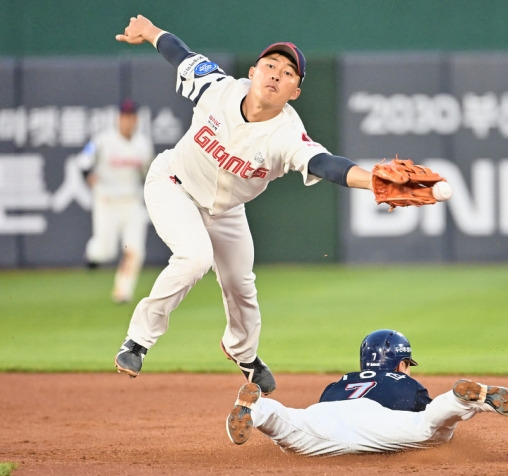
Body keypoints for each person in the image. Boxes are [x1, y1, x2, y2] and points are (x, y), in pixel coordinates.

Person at [112, 14, 378, 393]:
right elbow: (179, 53)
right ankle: (137, 340)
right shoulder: (216, 87)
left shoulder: (287, 134)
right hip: (173, 184)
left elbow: (326, 164)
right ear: (253, 72)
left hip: (227, 210)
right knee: (195, 257)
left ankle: (243, 353)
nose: (275, 74)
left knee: (241, 284)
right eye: (270, 65)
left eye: (288, 73)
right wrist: (150, 32)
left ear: (295, 92)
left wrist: (374, 181)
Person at [226, 329, 508, 456]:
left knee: (286, 424)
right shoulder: (405, 381)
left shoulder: (340, 381)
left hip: (323, 418)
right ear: (402, 362)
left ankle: (256, 409)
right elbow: (419, 415)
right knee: (431, 427)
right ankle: (463, 399)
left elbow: (324, 408)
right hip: (380, 424)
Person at [79, 99, 154, 303]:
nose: (128, 121)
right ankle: (92, 254)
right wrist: (88, 174)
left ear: (136, 119)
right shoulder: (102, 140)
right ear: (118, 119)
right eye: (124, 117)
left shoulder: (143, 144)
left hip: (132, 201)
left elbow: (148, 173)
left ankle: (122, 292)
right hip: (107, 201)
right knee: (105, 250)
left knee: (135, 250)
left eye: (131, 117)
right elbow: (84, 160)